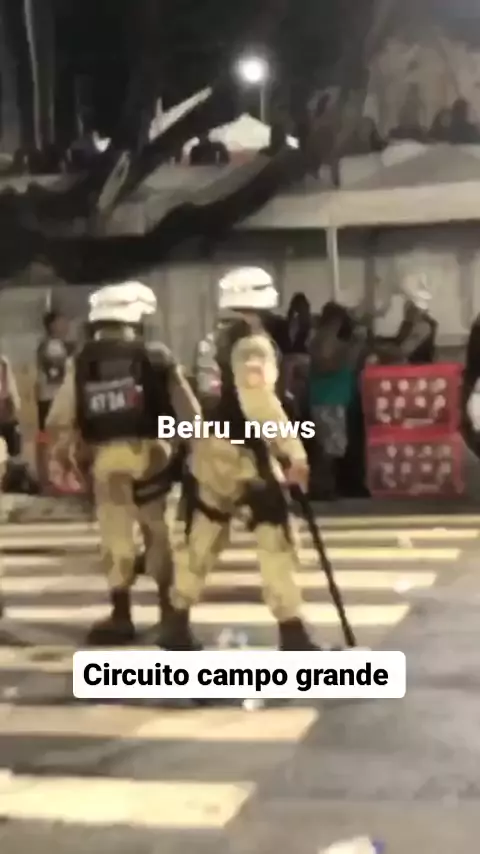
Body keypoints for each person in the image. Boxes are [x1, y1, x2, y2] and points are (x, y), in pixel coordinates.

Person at [160, 266, 323, 652]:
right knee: (275, 536)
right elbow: (259, 402)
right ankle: (292, 631)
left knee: (204, 536)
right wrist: (293, 452)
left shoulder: (211, 340)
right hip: (245, 455)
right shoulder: (252, 344)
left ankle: (176, 621)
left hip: (210, 450)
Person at [46, 280, 201, 645]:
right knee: (158, 533)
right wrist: (193, 448)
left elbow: (60, 418)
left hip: (107, 461)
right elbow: (189, 411)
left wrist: (62, 456)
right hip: (154, 458)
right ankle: (169, 615)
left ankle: (121, 615)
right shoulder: (157, 355)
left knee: (115, 535)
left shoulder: (81, 361)